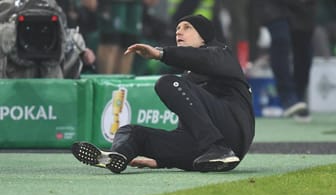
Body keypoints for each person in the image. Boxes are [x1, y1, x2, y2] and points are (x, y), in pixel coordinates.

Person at [72, 14, 255, 173]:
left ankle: (218, 149)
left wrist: (161, 54)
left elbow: (202, 59)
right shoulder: (189, 77)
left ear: (204, 37)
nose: (178, 32)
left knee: (167, 82)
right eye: (177, 28)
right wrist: (162, 160)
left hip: (232, 134)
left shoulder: (221, 53)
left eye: (187, 28)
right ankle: (117, 156)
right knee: (131, 131)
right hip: (203, 150)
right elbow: (188, 128)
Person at [254, 0, 317, 121]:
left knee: (304, 49)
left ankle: (298, 97)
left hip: (304, 5)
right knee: (280, 39)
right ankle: (288, 97)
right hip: (273, 4)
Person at [0, 0, 95, 79]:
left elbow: (65, 36)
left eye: (43, 31)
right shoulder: (5, 7)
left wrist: (81, 52)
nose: (36, 36)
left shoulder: (52, 7)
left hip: (50, 70)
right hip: (12, 72)